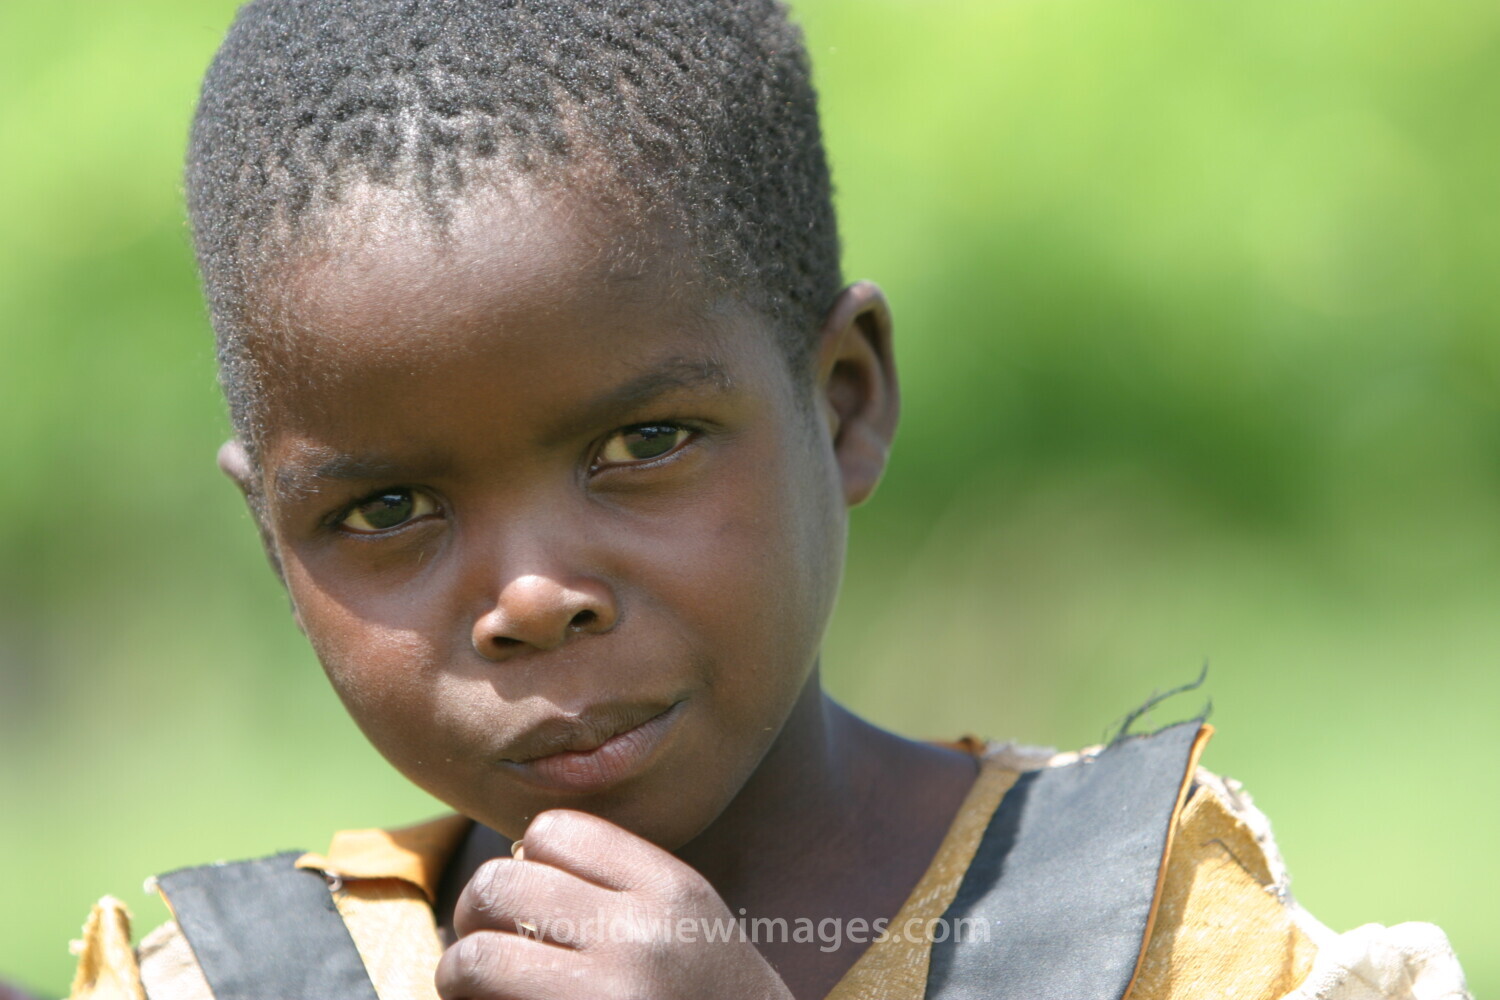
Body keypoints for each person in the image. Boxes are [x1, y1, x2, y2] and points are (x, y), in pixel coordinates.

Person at [65, 1, 1469, 998]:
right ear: (274, 545)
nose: (531, 596)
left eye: (646, 441)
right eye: (383, 512)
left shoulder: (1149, 939)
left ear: (844, 401)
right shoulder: (247, 981)